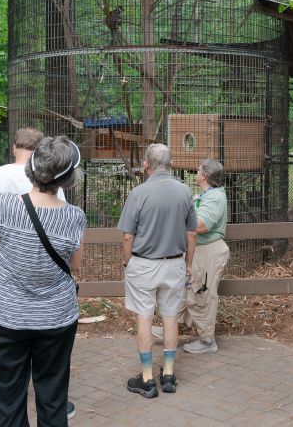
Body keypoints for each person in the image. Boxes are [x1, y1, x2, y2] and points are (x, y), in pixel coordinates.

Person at [0, 136, 85, 426]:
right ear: (68, 177)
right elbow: (73, 264)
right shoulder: (74, 217)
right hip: (55, 317)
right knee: (53, 393)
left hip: (6, 313)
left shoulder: (6, 204)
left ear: (33, 169)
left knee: (7, 394)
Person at [119, 143, 196, 397]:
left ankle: (148, 378)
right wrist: (188, 265)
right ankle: (170, 374)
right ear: (171, 163)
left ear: (146, 165)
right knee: (171, 317)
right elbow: (191, 233)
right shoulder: (185, 191)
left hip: (143, 263)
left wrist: (128, 263)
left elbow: (127, 236)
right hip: (174, 263)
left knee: (144, 317)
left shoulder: (138, 193)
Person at [154, 159, 230, 353]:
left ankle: (207, 341)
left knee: (201, 295)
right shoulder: (208, 194)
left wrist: (178, 215)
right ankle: (169, 331)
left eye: (197, 171)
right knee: (184, 290)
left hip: (208, 252)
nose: (195, 173)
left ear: (204, 175)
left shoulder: (215, 198)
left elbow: (200, 226)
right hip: (198, 252)